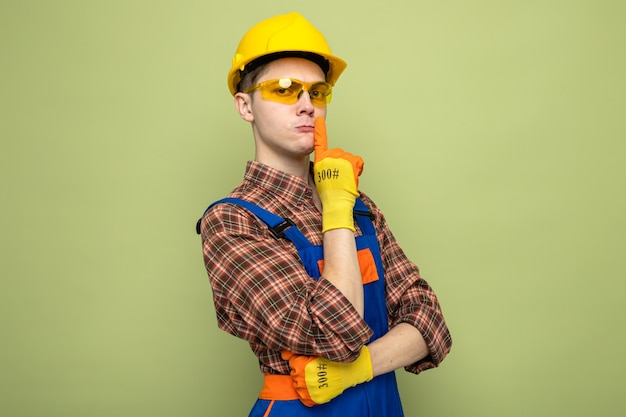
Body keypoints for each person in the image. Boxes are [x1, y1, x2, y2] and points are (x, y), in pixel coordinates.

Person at [197, 11, 452, 417]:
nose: (307, 106)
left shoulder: (359, 203)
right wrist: (335, 209)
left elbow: (429, 322)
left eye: (318, 92)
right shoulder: (233, 221)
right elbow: (333, 332)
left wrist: (359, 370)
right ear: (245, 106)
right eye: (284, 89)